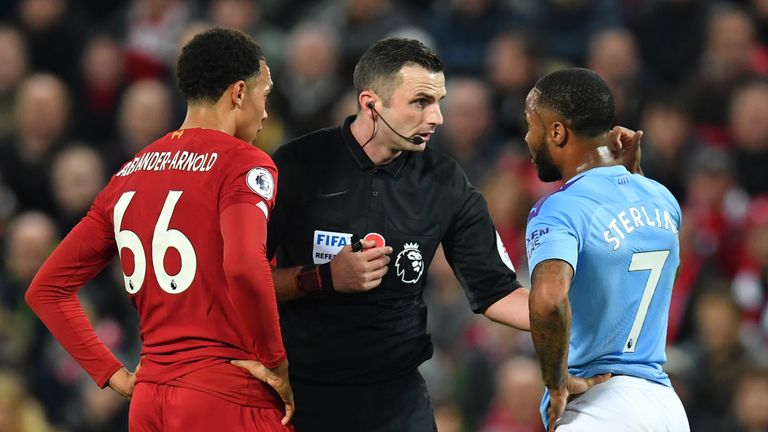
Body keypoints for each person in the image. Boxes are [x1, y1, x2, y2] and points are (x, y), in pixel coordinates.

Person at [237, 38, 633, 431]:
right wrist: (323, 278)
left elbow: (497, 293)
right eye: (421, 102)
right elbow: (242, 283)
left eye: (439, 102)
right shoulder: (296, 167)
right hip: (302, 398)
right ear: (371, 104)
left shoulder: (445, 183)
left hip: (397, 402)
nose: (437, 118)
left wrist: (578, 318)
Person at [25, 28, 294, 431]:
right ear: (239, 92)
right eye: (265, 94)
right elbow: (242, 265)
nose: (266, 112)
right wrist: (277, 365)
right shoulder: (243, 163)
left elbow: (46, 288)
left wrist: (112, 374)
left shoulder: (129, 174)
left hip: (150, 400)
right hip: (226, 394)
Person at [523, 68, 689, 431]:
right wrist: (633, 173)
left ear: (556, 132)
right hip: (666, 408)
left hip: (600, 406)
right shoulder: (664, 200)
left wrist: (557, 380)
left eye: (531, 124)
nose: (526, 137)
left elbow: (548, 300)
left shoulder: (559, 209)